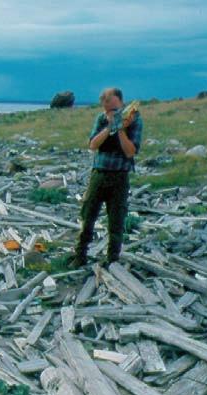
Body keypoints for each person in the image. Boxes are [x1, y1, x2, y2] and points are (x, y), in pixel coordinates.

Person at [69, 87, 143, 268]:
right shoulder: (101, 119)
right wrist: (109, 126)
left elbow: (130, 151)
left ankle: (112, 259)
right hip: (99, 174)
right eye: (106, 108)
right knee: (88, 215)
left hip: (119, 176)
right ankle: (80, 255)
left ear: (120, 102)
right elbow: (93, 145)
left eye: (112, 108)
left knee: (116, 219)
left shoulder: (135, 120)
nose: (109, 111)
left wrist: (120, 130)